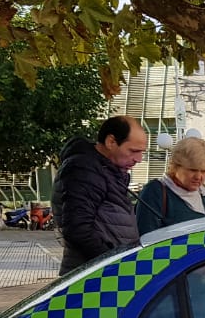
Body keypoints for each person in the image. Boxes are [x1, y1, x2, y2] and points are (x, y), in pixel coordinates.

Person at [52, 115, 147, 274]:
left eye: (142, 152)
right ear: (111, 142)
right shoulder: (85, 170)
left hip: (102, 270)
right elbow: (78, 230)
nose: (139, 159)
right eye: (133, 151)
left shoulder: (107, 170)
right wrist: (113, 263)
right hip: (95, 275)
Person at [136, 136, 205, 234]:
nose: (198, 177)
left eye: (203, 171)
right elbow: (147, 236)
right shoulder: (155, 192)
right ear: (176, 167)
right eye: (193, 170)